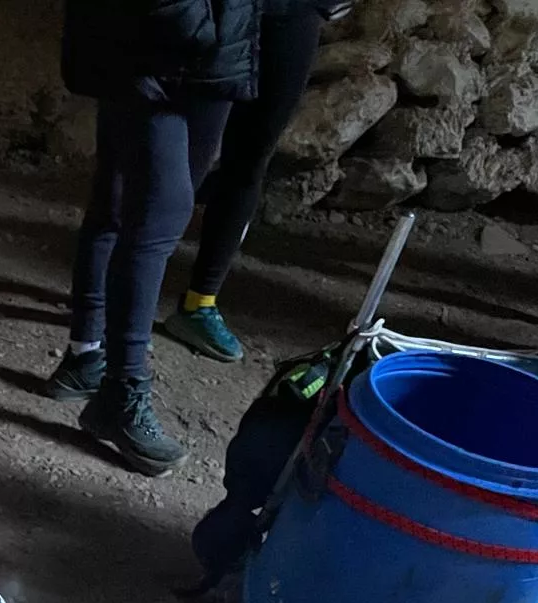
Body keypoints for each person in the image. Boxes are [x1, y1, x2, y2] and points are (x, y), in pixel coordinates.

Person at [47, 0, 263, 477]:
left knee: (127, 200)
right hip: (146, 48)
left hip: (213, 52)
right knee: (155, 214)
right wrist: (195, 22)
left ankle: (87, 359)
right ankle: (122, 390)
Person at [163, 0, 352, 363]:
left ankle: (200, 302)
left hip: (291, 13)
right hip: (220, 9)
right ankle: (125, 297)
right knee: (184, 154)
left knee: (251, 157)